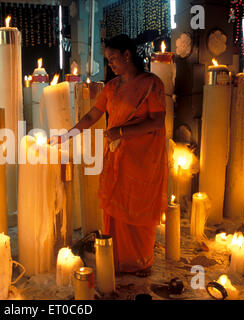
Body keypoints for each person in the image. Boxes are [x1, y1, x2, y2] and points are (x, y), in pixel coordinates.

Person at [53, 34, 168, 277]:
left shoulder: (151, 84)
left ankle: (140, 261)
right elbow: (91, 117)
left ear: (128, 55)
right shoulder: (112, 88)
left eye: (113, 58)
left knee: (138, 207)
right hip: (118, 157)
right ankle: (118, 261)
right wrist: (65, 136)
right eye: (108, 60)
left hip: (143, 159)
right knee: (117, 208)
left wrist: (122, 131)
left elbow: (157, 121)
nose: (110, 65)